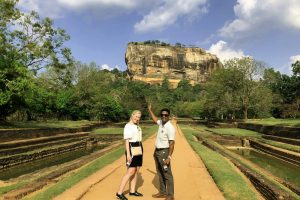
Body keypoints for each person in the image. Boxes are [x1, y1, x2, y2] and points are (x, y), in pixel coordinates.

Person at [148, 104, 176, 200]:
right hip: (157, 152)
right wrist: (150, 110)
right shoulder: (161, 123)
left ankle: (170, 195)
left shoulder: (170, 127)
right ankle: (163, 192)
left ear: (169, 116)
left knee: (167, 174)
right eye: (162, 115)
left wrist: (169, 157)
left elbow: (172, 143)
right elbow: (155, 119)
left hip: (164, 152)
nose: (164, 116)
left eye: (166, 115)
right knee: (159, 172)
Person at [116, 110, 144, 200]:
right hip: (132, 148)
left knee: (136, 170)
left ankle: (132, 191)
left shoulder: (137, 126)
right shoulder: (128, 126)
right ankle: (119, 192)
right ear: (132, 116)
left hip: (139, 148)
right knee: (130, 171)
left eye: (139, 117)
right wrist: (128, 154)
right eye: (136, 116)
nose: (137, 118)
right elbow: (127, 141)